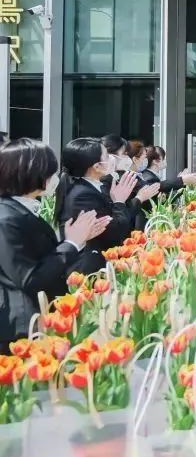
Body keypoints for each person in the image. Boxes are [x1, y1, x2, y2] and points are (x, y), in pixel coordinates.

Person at [0, 139, 111, 351]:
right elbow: (30, 278)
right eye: (50, 172)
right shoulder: (6, 219)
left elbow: (41, 256)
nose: (55, 178)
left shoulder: (18, 210)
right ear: (31, 174)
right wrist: (71, 243)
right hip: (20, 328)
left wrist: (76, 241)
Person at [55, 137, 152, 275]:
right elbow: (114, 231)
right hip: (90, 268)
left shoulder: (90, 187)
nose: (112, 159)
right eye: (107, 156)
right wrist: (119, 202)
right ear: (96, 166)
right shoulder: (83, 195)